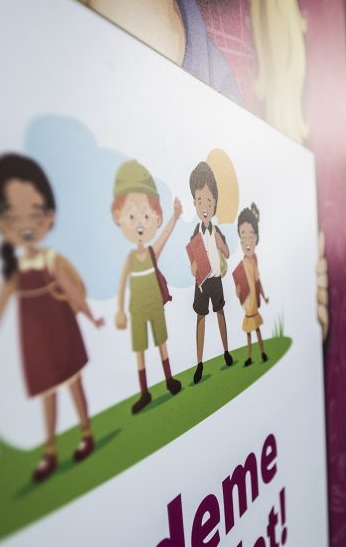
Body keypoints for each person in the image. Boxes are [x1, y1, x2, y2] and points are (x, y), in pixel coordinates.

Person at [0, 153, 105, 483]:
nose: (27, 225)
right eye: (15, 217)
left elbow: (71, 291)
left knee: (73, 381)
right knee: (47, 391)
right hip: (36, 338)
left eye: (35, 215)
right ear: (2, 223)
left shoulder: (50, 259)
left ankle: (86, 433)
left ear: (49, 217)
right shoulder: (15, 271)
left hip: (61, 329)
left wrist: (91, 317)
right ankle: (50, 451)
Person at [111, 159, 184, 415]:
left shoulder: (152, 253)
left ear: (155, 217)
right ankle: (144, 392)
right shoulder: (131, 259)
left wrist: (175, 217)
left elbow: (164, 237)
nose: (140, 223)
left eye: (145, 215)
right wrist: (120, 310)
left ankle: (169, 379)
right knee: (140, 349)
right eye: (132, 216)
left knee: (161, 341)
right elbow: (122, 283)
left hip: (154, 305)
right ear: (120, 218)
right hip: (138, 309)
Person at [187, 161, 233, 383]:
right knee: (200, 318)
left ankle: (226, 351)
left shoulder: (217, 231)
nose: (204, 206)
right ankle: (199, 363)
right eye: (199, 201)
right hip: (201, 283)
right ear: (194, 203)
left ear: (215, 203)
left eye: (208, 201)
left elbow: (227, 253)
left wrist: (221, 244)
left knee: (220, 313)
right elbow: (192, 262)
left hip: (216, 280)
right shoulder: (195, 235)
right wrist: (193, 269)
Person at [233, 203, 269, 366]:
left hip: (254, 302)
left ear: (256, 238)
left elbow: (258, 281)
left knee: (257, 329)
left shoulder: (254, 261)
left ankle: (262, 352)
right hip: (247, 303)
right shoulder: (241, 266)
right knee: (248, 332)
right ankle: (249, 357)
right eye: (243, 235)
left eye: (251, 235)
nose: (247, 241)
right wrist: (238, 291)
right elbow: (239, 289)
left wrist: (264, 297)